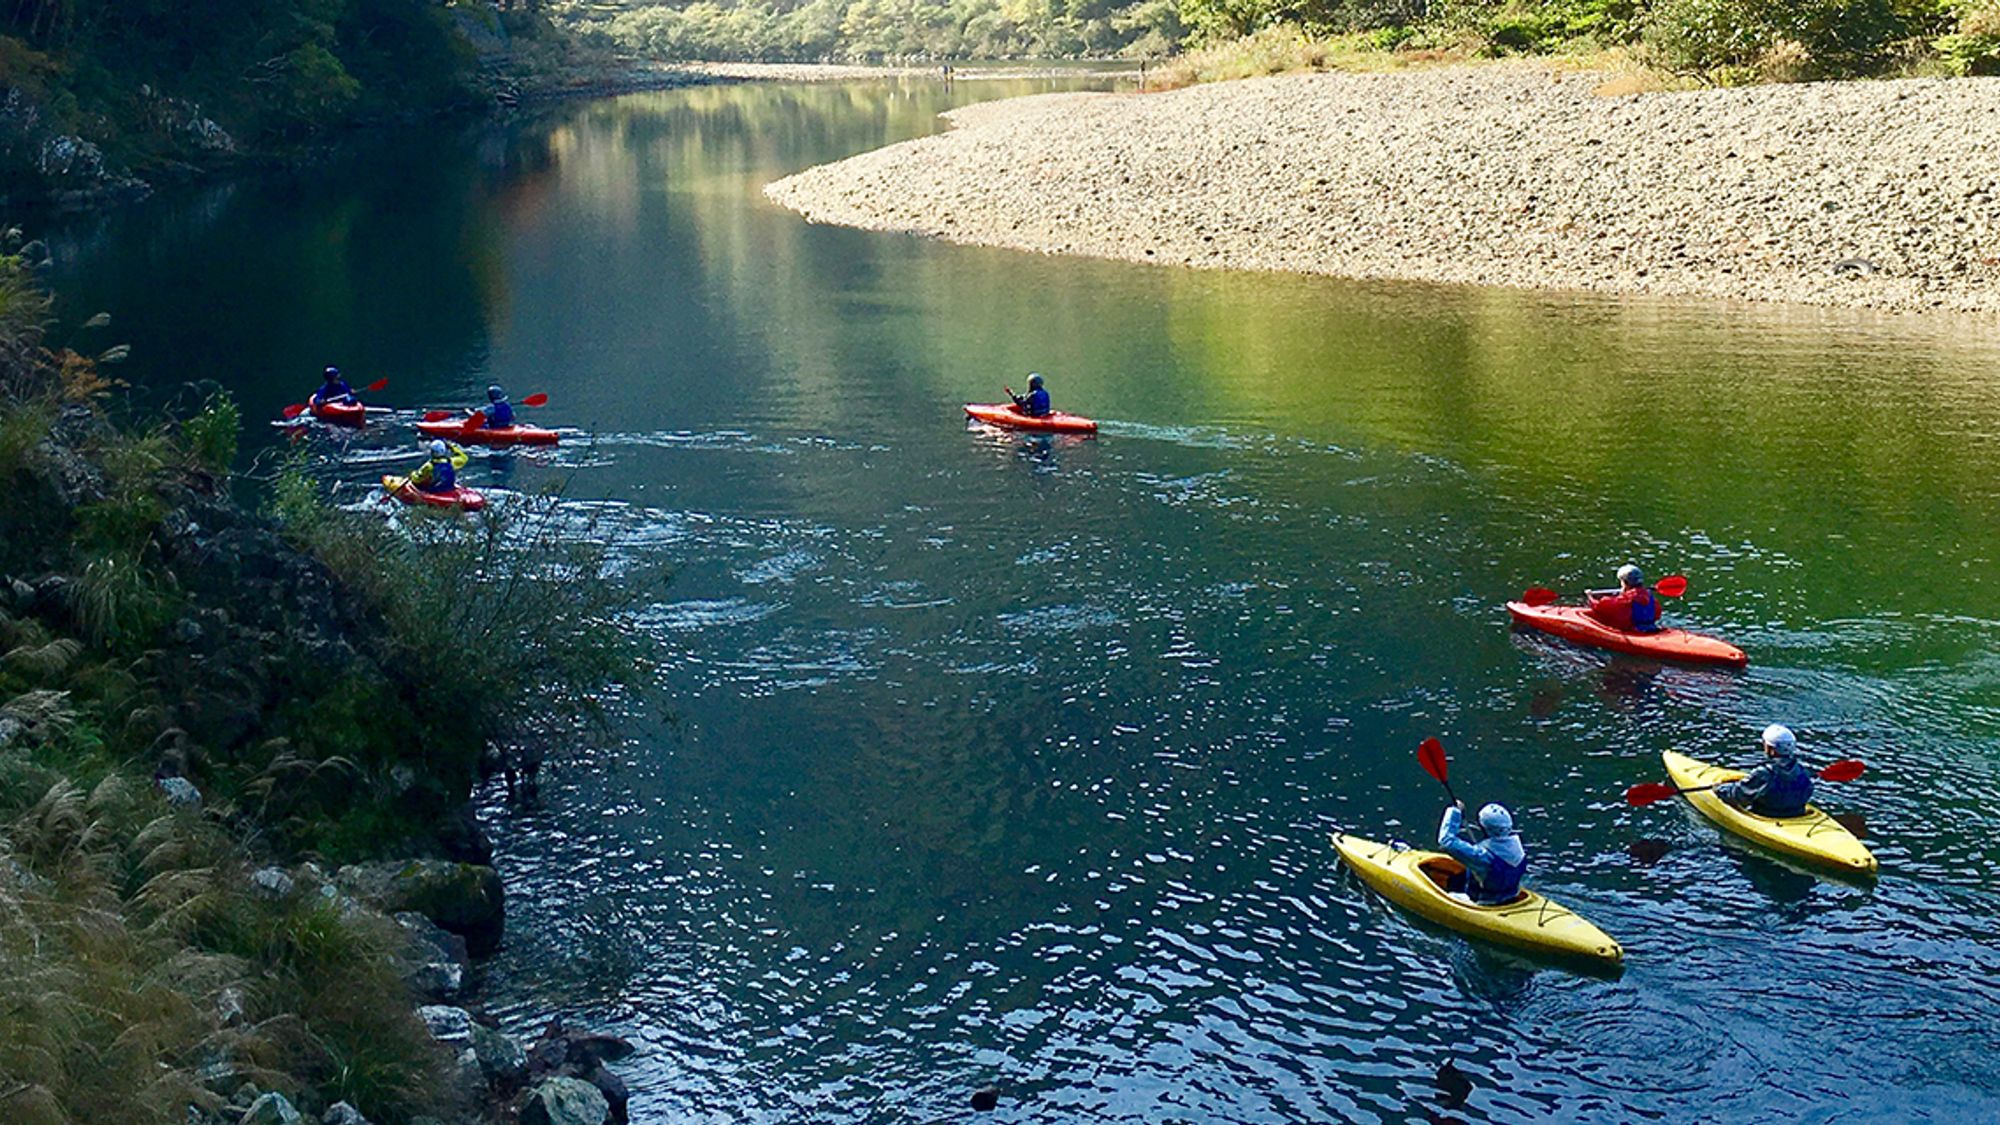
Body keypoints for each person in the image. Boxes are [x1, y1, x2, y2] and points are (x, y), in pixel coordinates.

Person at [1437, 800, 1526, 905]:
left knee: (1449, 892)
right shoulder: (1518, 847)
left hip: (1483, 903)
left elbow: (1446, 841)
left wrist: (1455, 811)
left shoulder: (1482, 856)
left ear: (1483, 827)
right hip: (1511, 895)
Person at [1715, 724, 1814, 818]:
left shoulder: (1764, 773)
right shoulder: (1803, 771)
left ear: (1771, 749)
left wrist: (1719, 789)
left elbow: (1738, 794)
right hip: (1796, 814)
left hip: (1767, 815)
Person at [1587, 564, 1660, 633]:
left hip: (1635, 632)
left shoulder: (1625, 600)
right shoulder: (1651, 599)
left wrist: (1590, 596)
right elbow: (1657, 614)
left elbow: (1600, 606)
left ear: (1625, 582)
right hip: (1652, 629)